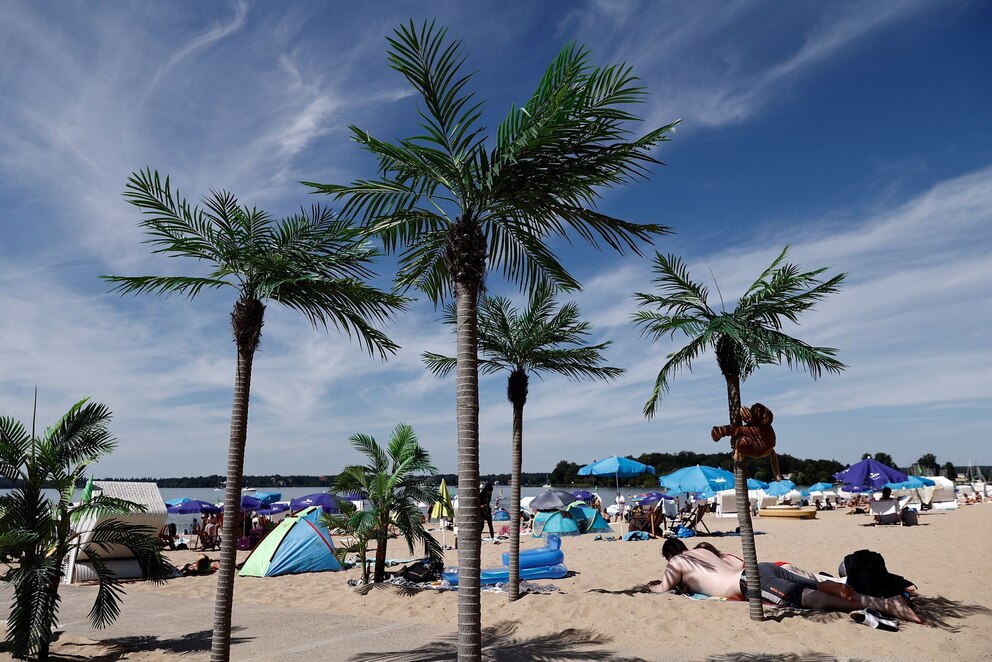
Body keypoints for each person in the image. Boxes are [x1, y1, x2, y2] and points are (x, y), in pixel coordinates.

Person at [646, 539, 922, 623]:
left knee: (812, 599)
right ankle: (856, 587)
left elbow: (662, 589)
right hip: (762, 567)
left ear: (669, 555)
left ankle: (887, 604)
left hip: (748, 582)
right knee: (814, 583)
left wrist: (649, 587)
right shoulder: (704, 551)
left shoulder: (677, 562)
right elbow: (738, 563)